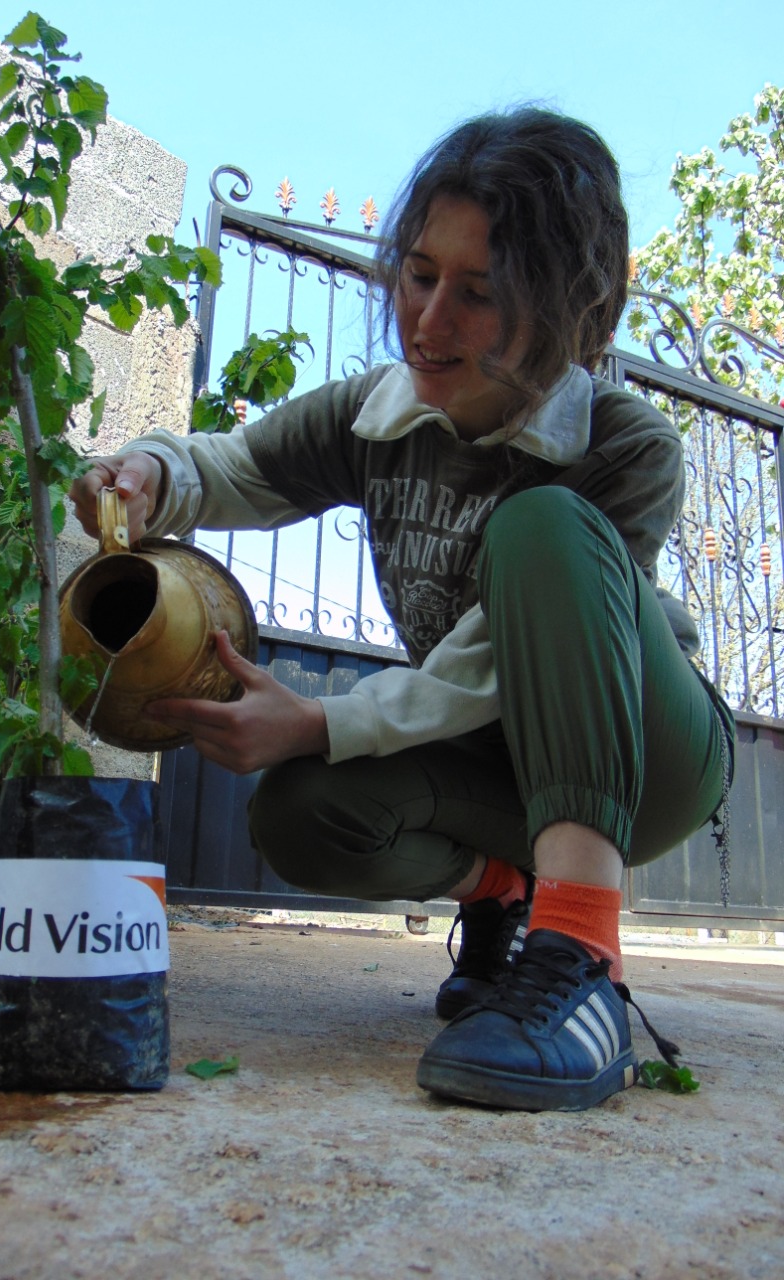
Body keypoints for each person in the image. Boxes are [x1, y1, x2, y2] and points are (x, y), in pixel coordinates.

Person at [69, 106, 735, 1113]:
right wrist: (149, 475)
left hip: (647, 759)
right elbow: (232, 469)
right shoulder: (377, 412)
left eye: (480, 293)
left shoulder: (626, 446)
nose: (428, 321)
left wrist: (321, 715)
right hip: (494, 769)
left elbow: (492, 662)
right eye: (421, 274)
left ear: (569, 307)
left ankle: (583, 952)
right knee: (300, 810)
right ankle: (504, 892)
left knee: (542, 528)